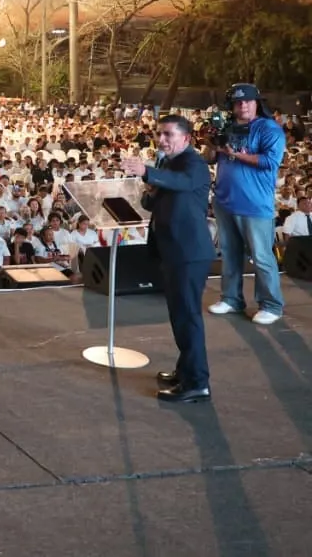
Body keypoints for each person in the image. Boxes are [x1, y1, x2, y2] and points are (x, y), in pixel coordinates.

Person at [122, 114, 216, 404]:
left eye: (168, 135)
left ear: (186, 138)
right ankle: (184, 370)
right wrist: (149, 188)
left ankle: (197, 383)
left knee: (188, 318)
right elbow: (153, 201)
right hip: (173, 251)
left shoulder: (194, 164)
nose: (161, 140)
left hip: (189, 253)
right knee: (179, 316)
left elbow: (183, 182)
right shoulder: (169, 164)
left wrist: (148, 172)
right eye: (159, 134)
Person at [205, 84, 286, 325]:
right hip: (225, 201)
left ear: (257, 103)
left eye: (248, 101)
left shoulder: (269, 129)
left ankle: (271, 304)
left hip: (255, 204)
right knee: (230, 254)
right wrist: (212, 144)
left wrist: (235, 154)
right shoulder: (227, 128)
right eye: (238, 102)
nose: (243, 105)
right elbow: (209, 158)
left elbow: (270, 162)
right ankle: (231, 298)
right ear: (231, 106)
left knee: (261, 256)